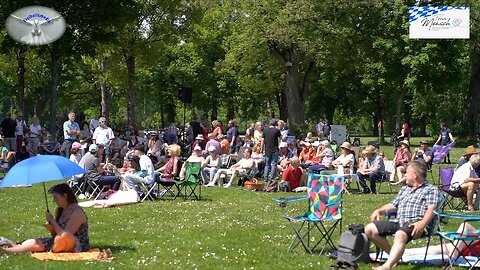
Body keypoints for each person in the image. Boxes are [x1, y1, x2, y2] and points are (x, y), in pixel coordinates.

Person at [365, 160, 442, 270]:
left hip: (417, 223)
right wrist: (378, 210)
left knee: (400, 234)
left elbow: (431, 209)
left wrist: (422, 224)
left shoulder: (430, 189)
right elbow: (393, 205)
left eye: (406, 172)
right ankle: (395, 256)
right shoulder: (405, 189)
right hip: (399, 222)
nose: (404, 175)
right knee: (370, 229)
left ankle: (387, 265)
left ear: (415, 174)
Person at [0, 183, 89, 254]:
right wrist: (52, 229)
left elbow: (66, 234)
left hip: (77, 245)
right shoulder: (60, 210)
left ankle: (7, 250)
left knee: (60, 239)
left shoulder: (77, 211)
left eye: (56, 197)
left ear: (65, 196)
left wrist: (53, 221)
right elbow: (57, 234)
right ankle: (8, 249)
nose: (54, 201)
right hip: (60, 241)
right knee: (32, 242)